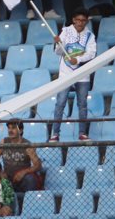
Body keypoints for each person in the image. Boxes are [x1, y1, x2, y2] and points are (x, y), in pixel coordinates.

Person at [49, 7, 96, 141]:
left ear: (86, 21)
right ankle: (55, 134)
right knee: (60, 103)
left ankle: (82, 133)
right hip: (65, 74)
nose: (80, 23)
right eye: (78, 20)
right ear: (73, 20)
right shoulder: (65, 31)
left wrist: (78, 59)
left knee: (82, 104)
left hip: (82, 75)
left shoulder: (90, 36)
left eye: (83, 20)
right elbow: (58, 52)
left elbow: (91, 54)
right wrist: (58, 44)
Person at [0, 120, 45, 194]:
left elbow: (38, 165)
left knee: (30, 179)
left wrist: (23, 172)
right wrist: (0, 171)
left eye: (13, 128)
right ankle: (0, 204)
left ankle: (28, 202)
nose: (10, 130)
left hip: (23, 179)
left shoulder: (27, 145)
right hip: (7, 177)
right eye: (9, 128)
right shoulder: (4, 142)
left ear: (21, 130)